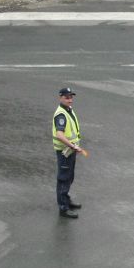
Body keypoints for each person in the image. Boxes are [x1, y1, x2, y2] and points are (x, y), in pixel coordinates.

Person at [53, 87, 88, 219]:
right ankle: (63, 208)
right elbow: (59, 134)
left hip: (71, 151)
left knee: (69, 177)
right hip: (65, 151)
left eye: (71, 97)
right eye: (67, 97)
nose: (70, 99)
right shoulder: (61, 114)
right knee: (63, 178)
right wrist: (72, 145)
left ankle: (66, 199)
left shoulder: (68, 110)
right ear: (60, 97)